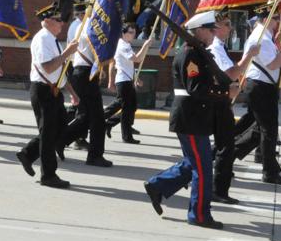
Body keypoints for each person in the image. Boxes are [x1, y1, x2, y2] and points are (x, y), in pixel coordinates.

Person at [143, 11, 231, 229]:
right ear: (199, 30)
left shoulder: (199, 52)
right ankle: (199, 215)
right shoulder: (191, 55)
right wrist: (222, 93)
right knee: (202, 169)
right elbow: (197, 88)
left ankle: (158, 185)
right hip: (190, 118)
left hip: (195, 117)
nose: (213, 34)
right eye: (210, 30)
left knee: (195, 162)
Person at [15, 3, 79, 189]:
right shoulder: (43, 38)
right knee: (49, 134)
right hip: (43, 91)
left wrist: (72, 93)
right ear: (47, 21)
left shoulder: (52, 39)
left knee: (58, 129)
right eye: (58, 20)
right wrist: (68, 52)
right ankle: (48, 175)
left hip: (54, 90)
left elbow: (59, 71)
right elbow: (48, 67)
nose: (62, 24)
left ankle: (28, 153)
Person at [232, 7, 281, 185]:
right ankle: (269, 172)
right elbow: (274, 64)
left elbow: (272, 68)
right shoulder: (262, 38)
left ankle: (227, 154)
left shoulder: (266, 38)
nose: (277, 24)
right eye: (276, 20)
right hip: (261, 88)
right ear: (268, 19)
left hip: (263, 87)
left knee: (256, 130)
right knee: (269, 130)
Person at [207, 12, 259, 204]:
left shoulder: (221, 47)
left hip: (223, 103)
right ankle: (218, 190)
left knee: (221, 149)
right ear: (216, 28)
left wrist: (237, 83)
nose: (230, 27)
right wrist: (248, 56)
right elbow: (231, 73)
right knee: (224, 149)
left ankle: (218, 186)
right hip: (219, 105)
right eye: (227, 24)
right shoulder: (215, 48)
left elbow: (231, 76)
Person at [58, 13, 114, 168]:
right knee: (97, 119)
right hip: (85, 73)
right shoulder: (90, 25)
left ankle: (60, 141)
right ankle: (95, 156)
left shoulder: (82, 25)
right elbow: (98, 45)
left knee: (86, 117)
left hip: (83, 72)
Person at [104, 22, 152, 144]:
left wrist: (136, 78)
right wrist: (145, 45)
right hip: (123, 81)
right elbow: (137, 59)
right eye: (130, 32)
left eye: (134, 32)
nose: (133, 35)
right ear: (123, 33)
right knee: (125, 107)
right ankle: (124, 134)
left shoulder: (126, 44)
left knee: (131, 107)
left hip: (127, 80)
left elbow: (129, 66)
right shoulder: (122, 46)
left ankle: (109, 123)